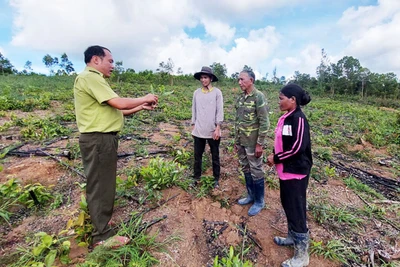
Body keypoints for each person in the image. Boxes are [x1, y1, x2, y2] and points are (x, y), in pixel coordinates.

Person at [73, 45, 158, 248]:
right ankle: (102, 236)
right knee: (101, 186)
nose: (113, 65)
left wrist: (140, 106)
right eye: (110, 61)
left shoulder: (95, 80)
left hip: (101, 140)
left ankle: (101, 222)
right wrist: (145, 97)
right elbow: (119, 103)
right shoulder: (90, 78)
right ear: (96, 60)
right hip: (98, 140)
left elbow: (117, 111)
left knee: (103, 183)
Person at [267, 83, 312, 267]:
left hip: (296, 172)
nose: (279, 101)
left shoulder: (298, 119)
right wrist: (276, 157)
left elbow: (297, 148)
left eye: (281, 98)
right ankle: (292, 238)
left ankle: (302, 254)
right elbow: (282, 142)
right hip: (286, 171)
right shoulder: (286, 117)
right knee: (288, 204)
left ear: (292, 100)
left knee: (297, 209)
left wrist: (276, 158)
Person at [235, 70, 269, 216]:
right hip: (242, 141)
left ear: (251, 80)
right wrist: (236, 141)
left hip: (253, 142)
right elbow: (238, 121)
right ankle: (250, 196)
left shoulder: (258, 97)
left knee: (256, 170)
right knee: (246, 169)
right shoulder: (241, 98)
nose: (239, 82)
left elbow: (264, 122)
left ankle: (259, 201)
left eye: (242, 79)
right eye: (238, 80)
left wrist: (259, 144)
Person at [191, 66, 224, 188]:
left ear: (210, 78)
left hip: (212, 130)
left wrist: (218, 127)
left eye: (205, 77)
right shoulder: (196, 93)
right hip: (199, 130)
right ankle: (196, 177)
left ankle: (216, 178)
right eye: (201, 78)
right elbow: (194, 110)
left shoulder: (217, 93)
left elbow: (219, 111)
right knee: (197, 156)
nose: (203, 80)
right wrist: (193, 125)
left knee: (215, 155)